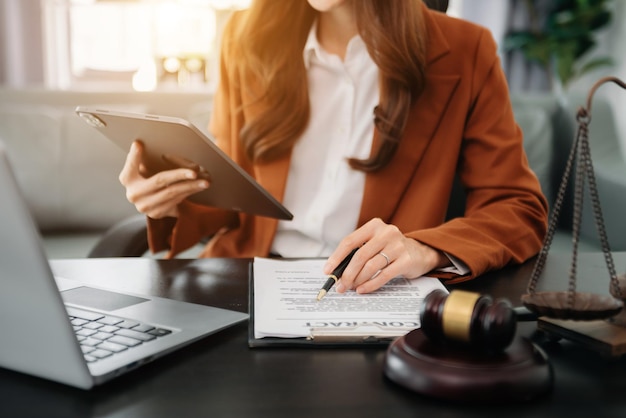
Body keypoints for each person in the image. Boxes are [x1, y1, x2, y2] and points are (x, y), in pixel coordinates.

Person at [119, 0, 548, 295]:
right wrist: (169, 202)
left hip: (374, 293)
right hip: (248, 282)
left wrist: (424, 249)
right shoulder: (245, 38)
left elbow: (518, 208)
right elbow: (237, 199)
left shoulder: (464, 51)